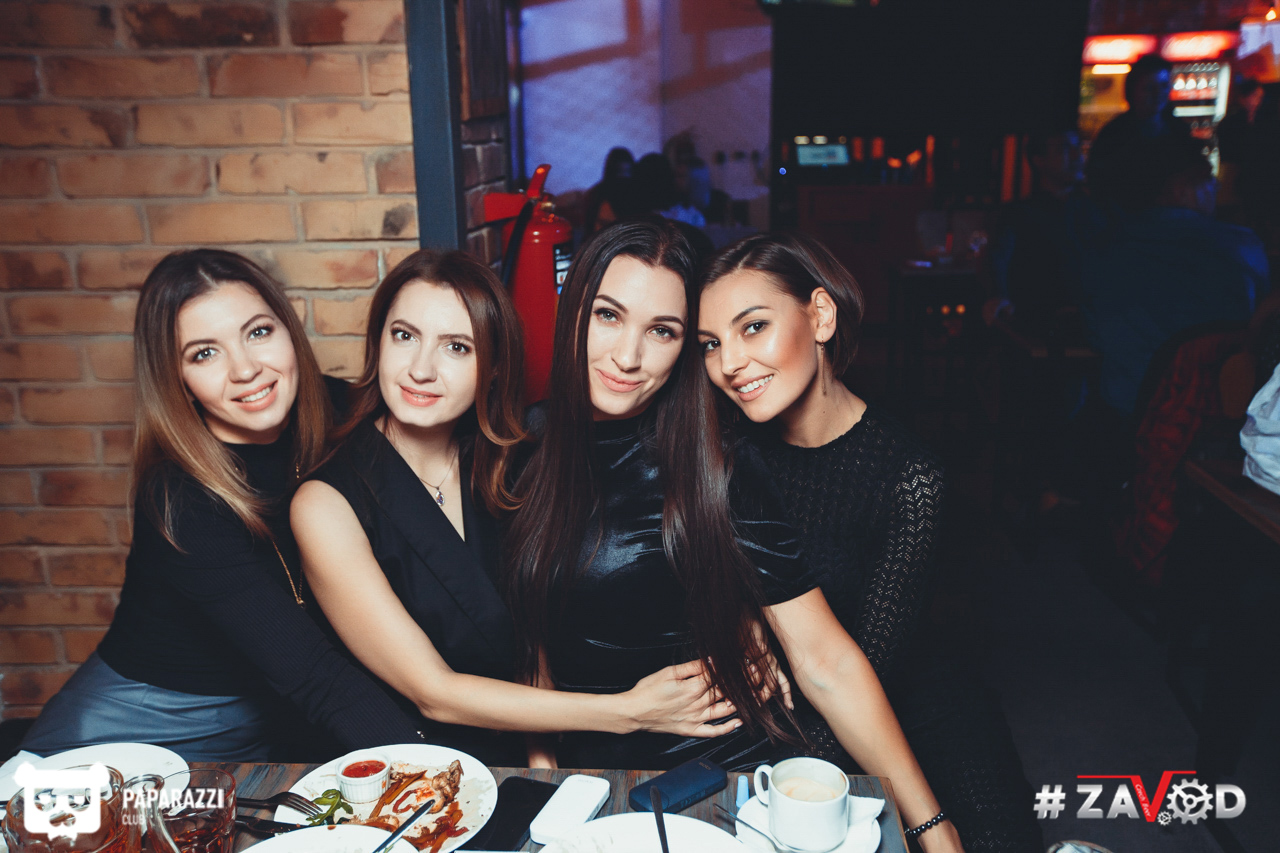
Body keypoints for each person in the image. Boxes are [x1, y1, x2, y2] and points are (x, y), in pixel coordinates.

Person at [504, 219, 965, 852]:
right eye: (608, 316)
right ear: (574, 310)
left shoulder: (716, 458)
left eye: (662, 331)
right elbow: (529, 631)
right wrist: (544, 768)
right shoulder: (519, 446)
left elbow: (825, 660)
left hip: (718, 773)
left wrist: (931, 826)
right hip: (589, 781)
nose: (628, 356)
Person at [290, 249, 744, 766]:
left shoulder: (512, 457)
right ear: (378, 343)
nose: (420, 369)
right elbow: (433, 692)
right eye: (404, 335)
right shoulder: (325, 504)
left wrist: (542, 764)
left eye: (456, 347)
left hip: (531, 754)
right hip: (413, 765)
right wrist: (629, 712)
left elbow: (536, 634)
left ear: (493, 366)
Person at [698, 232, 1043, 853]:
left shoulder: (909, 476)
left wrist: (927, 824)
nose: (729, 363)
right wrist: (748, 622)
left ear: (820, 316)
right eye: (711, 343)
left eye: (753, 327)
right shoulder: (730, 451)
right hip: (793, 700)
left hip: (915, 707)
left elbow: (852, 671)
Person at [21, 250, 429, 761]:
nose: (245, 369)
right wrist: (435, 767)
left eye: (258, 332)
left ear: (289, 329)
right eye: (204, 354)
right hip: (145, 721)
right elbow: (315, 676)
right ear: (178, 380)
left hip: (275, 719)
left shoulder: (344, 414)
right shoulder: (178, 498)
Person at [1078, 139, 1270, 417]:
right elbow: (1260, 327)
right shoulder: (1242, 246)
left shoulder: (1103, 248)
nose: (1216, 188)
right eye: (1209, 180)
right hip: (1218, 415)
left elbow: (1094, 333)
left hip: (1131, 412)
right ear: (1181, 190)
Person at [1087, 53, 1192, 206]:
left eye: (1164, 85)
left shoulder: (1179, 130)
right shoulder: (1115, 134)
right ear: (1132, 90)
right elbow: (1100, 184)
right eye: (1149, 88)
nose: (1158, 93)